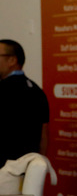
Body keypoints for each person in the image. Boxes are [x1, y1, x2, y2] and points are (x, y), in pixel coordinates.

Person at [0, 39, 50, 168]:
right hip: (27, 172)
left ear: (12, 60)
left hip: (4, 172)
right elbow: (43, 136)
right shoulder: (37, 90)